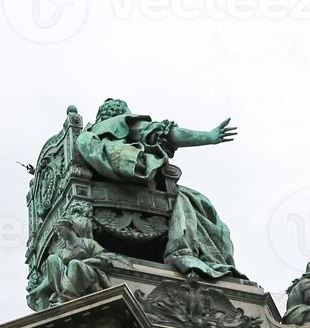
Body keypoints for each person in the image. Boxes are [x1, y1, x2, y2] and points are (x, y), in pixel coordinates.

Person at [74, 98, 241, 279]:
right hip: (139, 195)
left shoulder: (86, 137)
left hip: (94, 196)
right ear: (123, 112)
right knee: (201, 205)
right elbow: (166, 135)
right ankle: (190, 255)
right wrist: (209, 137)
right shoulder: (121, 124)